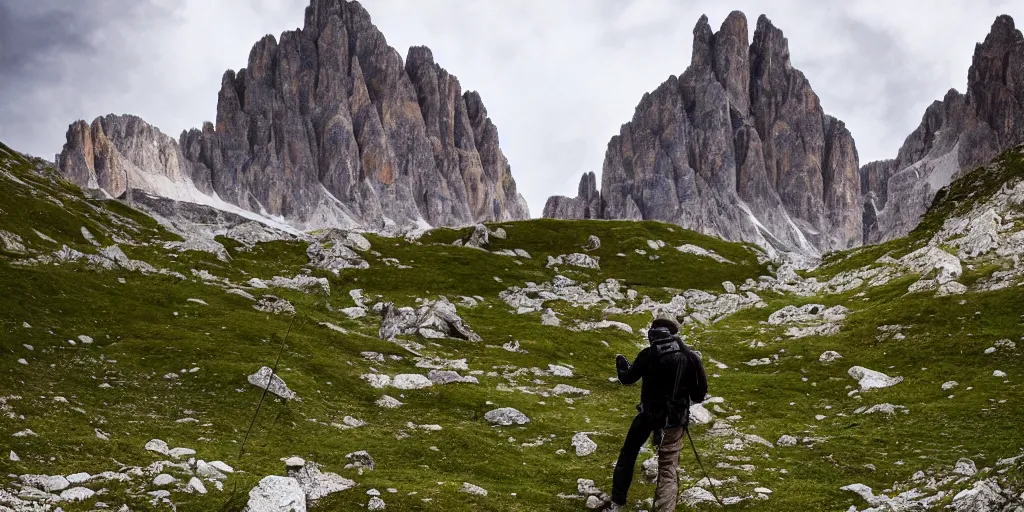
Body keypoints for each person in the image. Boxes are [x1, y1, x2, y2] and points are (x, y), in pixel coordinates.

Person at [609, 317, 708, 511]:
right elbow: (699, 394)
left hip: (648, 416)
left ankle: (617, 500)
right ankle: (664, 508)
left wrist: (621, 364)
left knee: (629, 453)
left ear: (652, 336)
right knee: (668, 467)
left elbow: (627, 378)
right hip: (675, 421)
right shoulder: (690, 357)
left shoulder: (649, 354)